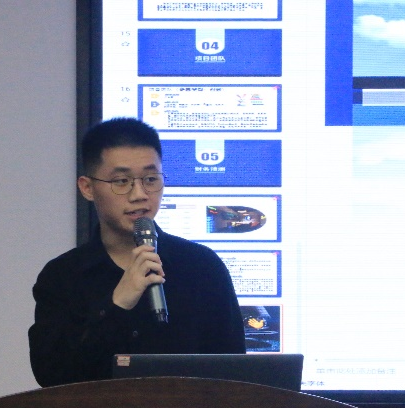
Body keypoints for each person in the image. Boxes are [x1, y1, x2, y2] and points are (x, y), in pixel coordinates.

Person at [28, 117, 245, 387]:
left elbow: (236, 374)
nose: (139, 194)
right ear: (87, 188)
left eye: (150, 179)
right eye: (121, 181)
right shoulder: (62, 276)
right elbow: (51, 376)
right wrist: (117, 303)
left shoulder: (202, 267)